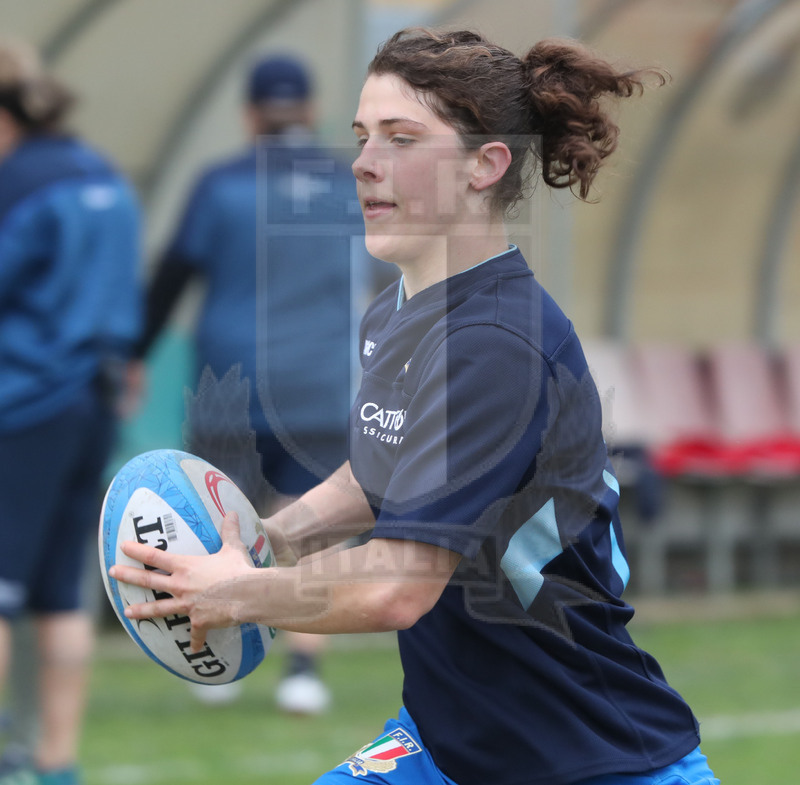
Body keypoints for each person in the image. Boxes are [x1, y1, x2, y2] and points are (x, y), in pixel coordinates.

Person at [111, 27, 720, 785]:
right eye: (363, 136)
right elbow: (378, 475)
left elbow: (396, 585)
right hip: (450, 741)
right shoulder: (400, 311)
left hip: (587, 758)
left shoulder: (496, 342)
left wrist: (232, 591)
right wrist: (263, 530)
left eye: (402, 138)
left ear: (484, 166)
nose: (365, 163)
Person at [133, 53, 384, 713]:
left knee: (220, 526)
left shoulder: (218, 186)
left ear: (249, 114)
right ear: (310, 110)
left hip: (229, 386)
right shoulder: (345, 184)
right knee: (313, 531)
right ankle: (304, 671)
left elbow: (169, 281)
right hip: (322, 388)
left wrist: (133, 355)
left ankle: (221, 657)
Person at [0, 38, 142, 785]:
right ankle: (57, 763)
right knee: (58, 591)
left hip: (22, 404)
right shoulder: (100, 173)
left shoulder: (14, 185)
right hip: (93, 401)